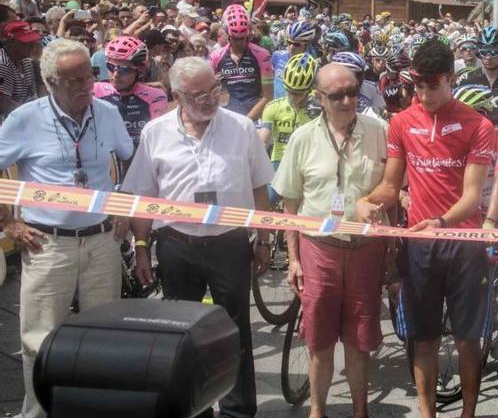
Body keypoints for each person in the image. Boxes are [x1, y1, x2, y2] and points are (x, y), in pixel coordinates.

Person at [123, 56, 274, 418]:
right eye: (198, 94)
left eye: (214, 90)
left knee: (234, 329)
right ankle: (195, 407)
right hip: (177, 244)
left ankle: (238, 411)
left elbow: (258, 188)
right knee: (183, 333)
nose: (209, 100)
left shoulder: (241, 128)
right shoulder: (155, 133)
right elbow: (144, 196)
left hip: (230, 243)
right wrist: (141, 248)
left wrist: (265, 238)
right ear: (176, 95)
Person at [355, 39, 494, 418]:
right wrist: (366, 201)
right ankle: (426, 413)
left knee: (468, 339)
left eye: (433, 85)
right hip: (420, 246)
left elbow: (472, 196)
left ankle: (468, 413)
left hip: (463, 242)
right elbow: (390, 185)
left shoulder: (478, 124)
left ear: (450, 78)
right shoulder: (401, 122)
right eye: (419, 85)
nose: (425, 94)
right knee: (424, 338)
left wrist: (443, 220)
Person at [0, 39, 133, 418]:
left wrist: (122, 204)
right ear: (50, 81)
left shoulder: (107, 112)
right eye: (72, 79)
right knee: (39, 340)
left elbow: (126, 158)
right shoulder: (25, 119)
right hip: (47, 243)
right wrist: (9, 222)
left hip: (102, 240)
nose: (85, 86)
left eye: (88, 76)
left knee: (102, 337)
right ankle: (37, 412)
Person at [272, 64, 388, 418]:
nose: (347, 100)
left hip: (366, 251)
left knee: (360, 340)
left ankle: (359, 411)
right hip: (319, 249)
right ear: (319, 98)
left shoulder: (380, 130)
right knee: (318, 340)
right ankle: (317, 411)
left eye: (352, 91)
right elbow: (290, 203)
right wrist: (293, 259)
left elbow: (397, 189)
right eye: (336, 95)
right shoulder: (303, 138)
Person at [259, 53, 318, 200]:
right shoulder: (273, 107)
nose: (293, 97)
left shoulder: (318, 108)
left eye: (298, 94)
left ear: (310, 89)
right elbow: (262, 141)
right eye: (289, 91)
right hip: (280, 160)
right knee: (267, 200)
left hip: (308, 162)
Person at [92, 36, 168, 147]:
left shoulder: (156, 96)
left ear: (140, 70)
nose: (115, 74)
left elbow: (158, 138)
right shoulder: (95, 90)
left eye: (124, 69)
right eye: (110, 67)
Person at [209, 4, 273, 120]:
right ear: (227, 33)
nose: (239, 43)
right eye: (235, 38)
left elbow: (268, 96)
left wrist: (246, 121)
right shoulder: (215, 56)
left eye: (243, 38)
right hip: (226, 118)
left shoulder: (262, 55)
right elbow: (207, 92)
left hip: (254, 118)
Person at [0, 20, 41, 115]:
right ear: (12, 42)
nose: (30, 45)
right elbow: (5, 105)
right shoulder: (3, 64)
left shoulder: (26, 61)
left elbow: (33, 94)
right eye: (25, 43)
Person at [272, 20, 317, 99]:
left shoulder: (312, 65)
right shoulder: (277, 55)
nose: (292, 47)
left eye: (297, 44)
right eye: (289, 42)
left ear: (306, 45)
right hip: (276, 107)